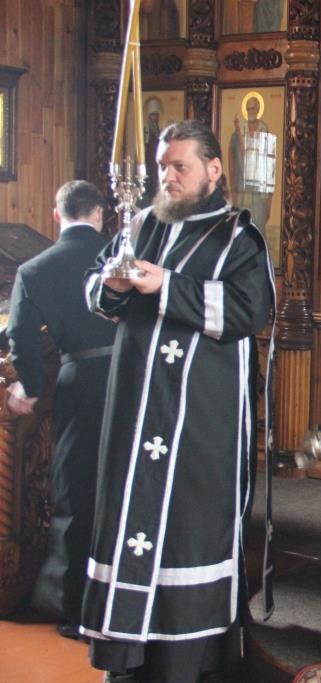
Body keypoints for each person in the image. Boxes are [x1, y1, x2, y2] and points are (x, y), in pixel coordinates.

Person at [80, 120, 275, 683]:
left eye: (179, 166)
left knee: (189, 527)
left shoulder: (239, 236)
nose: (167, 176)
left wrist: (165, 285)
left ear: (213, 170)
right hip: (136, 408)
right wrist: (112, 287)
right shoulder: (142, 224)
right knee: (129, 518)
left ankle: (188, 660)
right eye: (162, 166)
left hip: (199, 416)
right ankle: (127, 655)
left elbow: (249, 311)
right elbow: (96, 287)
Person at [6, 180, 116, 639]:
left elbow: (20, 335)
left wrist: (29, 388)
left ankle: (78, 611)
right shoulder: (122, 257)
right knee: (132, 485)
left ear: (56, 215)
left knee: (77, 494)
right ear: (100, 214)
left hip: (81, 383)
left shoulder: (34, 269)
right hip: (134, 381)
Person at [229, 94, 277, 238]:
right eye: (249, 109)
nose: (251, 111)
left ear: (257, 110)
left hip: (259, 189)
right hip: (243, 187)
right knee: (242, 224)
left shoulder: (264, 130)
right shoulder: (239, 132)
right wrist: (237, 134)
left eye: (253, 109)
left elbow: (270, 161)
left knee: (259, 223)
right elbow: (233, 158)